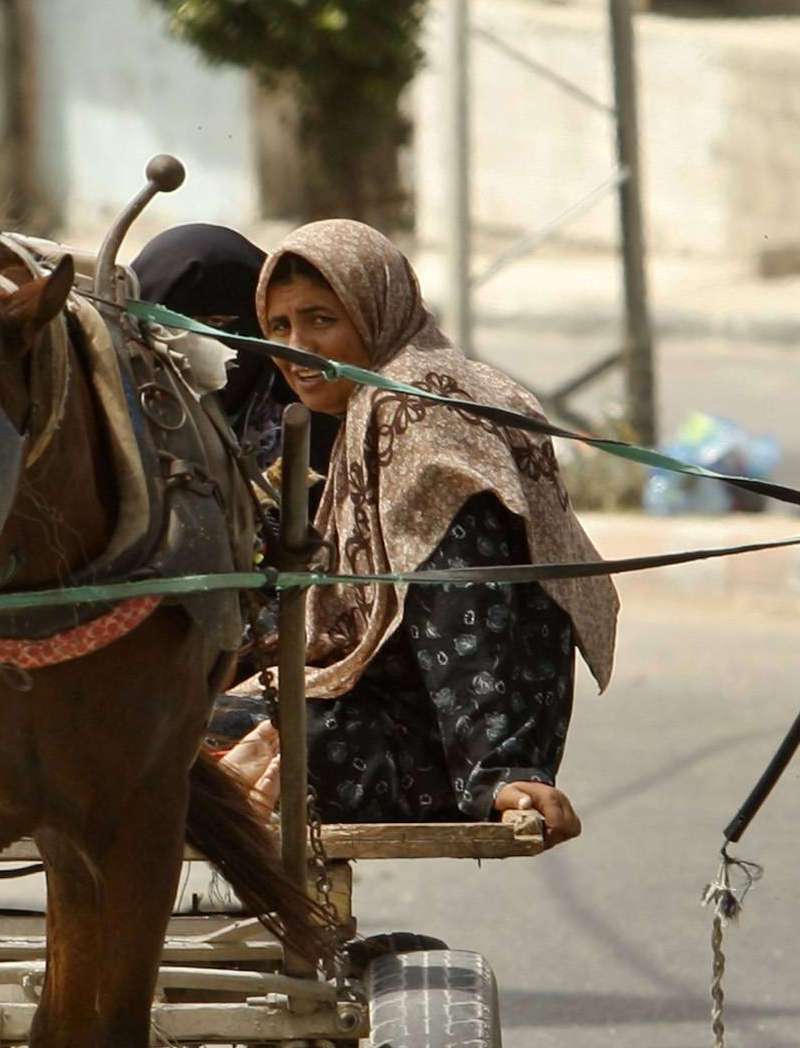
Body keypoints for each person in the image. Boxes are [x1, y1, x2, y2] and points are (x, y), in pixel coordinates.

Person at [209, 220, 608, 840]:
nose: (297, 349)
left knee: (164, 734)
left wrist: (496, 772)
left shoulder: (411, 410)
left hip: (429, 752)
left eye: (320, 319)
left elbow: (461, 597)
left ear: (376, 309)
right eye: (280, 329)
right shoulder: (418, 387)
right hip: (424, 725)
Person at [131, 222, 286, 467]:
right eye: (175, 327)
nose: (200, 346)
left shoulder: (312, 419)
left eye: (216, 323)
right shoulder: (112, 433)